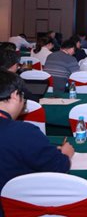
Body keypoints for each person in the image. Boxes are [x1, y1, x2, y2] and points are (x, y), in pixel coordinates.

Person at [0, 70, 73, 203]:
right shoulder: (23, 132)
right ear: (15, 95)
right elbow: (58, 167)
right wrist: (65, 155)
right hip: (15, 205)